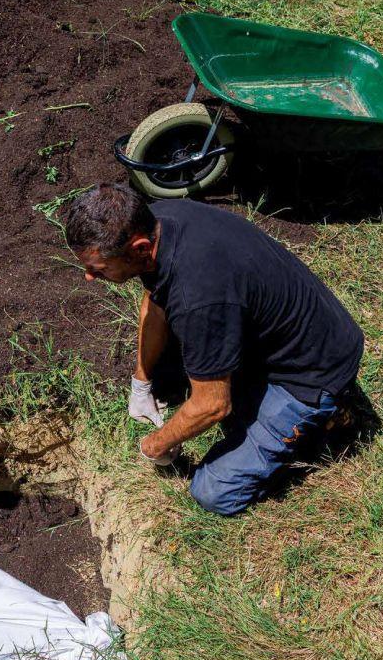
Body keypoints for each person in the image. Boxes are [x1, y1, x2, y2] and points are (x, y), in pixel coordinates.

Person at [62, 183, 363, 516]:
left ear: (139, 247)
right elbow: (156, 299)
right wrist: (142, 382)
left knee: (214, 491)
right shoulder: (161, 218)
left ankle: (325, 421)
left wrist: (156, 445)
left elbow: (213, 405)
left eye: (99, 269)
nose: (89, 277)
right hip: (293, 329)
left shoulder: (198, 298)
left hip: (312, 374)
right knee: (173, 373)